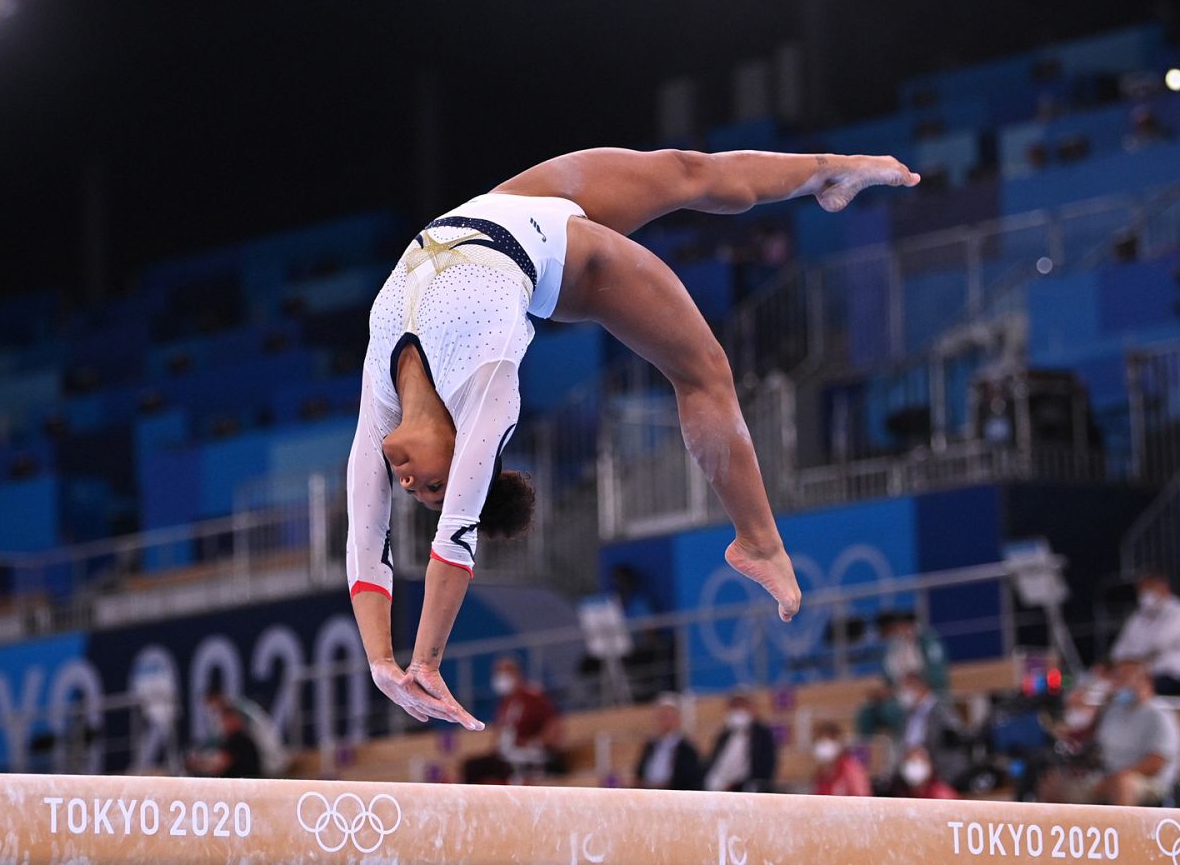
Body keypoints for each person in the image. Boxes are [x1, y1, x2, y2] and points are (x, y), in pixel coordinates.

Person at [346, 147, 920, 729]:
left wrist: (389, 663)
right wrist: (415, 662)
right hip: (573, 265)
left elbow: (368, 534)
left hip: (505, 209)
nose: (410, 483)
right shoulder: (489, 392)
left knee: (688, 170)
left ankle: (831, 168)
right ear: (468, 446)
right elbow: (450, 536)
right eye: (434, 487)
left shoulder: (380, 396)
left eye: (424, 489)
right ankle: (760, 543)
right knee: (705, 371)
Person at [1091, 659, 1180, 806]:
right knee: (1056, 783)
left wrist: (1118, 775)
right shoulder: (1114, 711)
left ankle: (1123, 829)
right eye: (1117, 677)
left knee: (1122, 784)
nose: (1119, 684)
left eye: (1125, 678)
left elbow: (1157, 761)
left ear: (1145, 681)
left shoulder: (1158, 713)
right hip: (1106, 775)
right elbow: (1098, 748)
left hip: (1148, 781)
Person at [462, 657, 567, 784]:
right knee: (473, 766)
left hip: (528, 753)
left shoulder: (533, 696)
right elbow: (500, 734)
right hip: (508, 754)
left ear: (517, 674)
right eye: (498, 672)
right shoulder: (504, 703)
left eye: (505, 672)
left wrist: (535, 743)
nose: (501, 677)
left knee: (478, 768)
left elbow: (553, 725)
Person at [1108, 571, 1180, 695]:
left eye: (1149, 588)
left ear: (1163, 587)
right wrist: (1122, 662)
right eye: (1141, 589)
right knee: (1104, 687)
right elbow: (1119, 647)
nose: (1144, 593)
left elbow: (1158, 644)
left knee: (1131, 691)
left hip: (1170, 676)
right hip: (1136, 675)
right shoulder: (1138, 615)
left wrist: (1130, 661)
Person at [896, 671, 967, 788]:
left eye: (908, 687)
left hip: (939, 763)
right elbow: (903, 742)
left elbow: (954, 737)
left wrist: (925, 752)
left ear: (921, 686)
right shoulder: (907, 714)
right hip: (912, 760)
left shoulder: (941, 709)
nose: (905, 692)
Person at [202, 689, 291, 778]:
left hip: (268, 758)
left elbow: (221, 736)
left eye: (211, 704)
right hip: (261, 757)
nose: (212, 709)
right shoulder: (236, 715)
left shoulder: (241, 712)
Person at [703, 694, 779, 792]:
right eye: (734, 707)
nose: (738, 712)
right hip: (718, 784)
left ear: (751, 709)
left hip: (746, 787)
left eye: (741, 707)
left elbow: (766, 766)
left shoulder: (761, 734)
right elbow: (713, 762)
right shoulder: (724, 736)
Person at [634, 694, 704, 790]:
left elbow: (689, 777)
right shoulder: (650, 745)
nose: (665, 721)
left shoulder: (687, 749)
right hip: (648, 791)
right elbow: (639, 772)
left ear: (677, 718)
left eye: (669, 716)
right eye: (662, 716)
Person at [187, 705, 263, 779]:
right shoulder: (233, 740)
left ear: (237, 720)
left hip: (242, 786)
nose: (224, 725)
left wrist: (197, 765)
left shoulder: (239, 741)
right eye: (223, 721)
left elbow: (219, 766)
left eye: (227, 720)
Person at [810, 721, 871, 796]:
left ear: (838, 743)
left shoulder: (852, 769)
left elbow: (862, 797)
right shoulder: (819, 774)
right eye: (821, 740)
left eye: (829, 739)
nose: (825, 745)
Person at [890, 746, 958, 800]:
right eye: (912, 761)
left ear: (931, 765)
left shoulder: (942, 796)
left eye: (920, 761)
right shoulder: (897, 793)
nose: (916, 766)